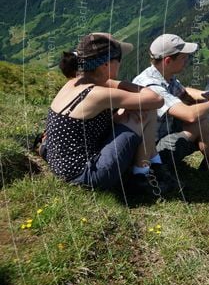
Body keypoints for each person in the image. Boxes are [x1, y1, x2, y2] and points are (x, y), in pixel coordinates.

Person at [44, 32, 176, 198]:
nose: (120, 64)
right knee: (146, 109)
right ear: (106, 65)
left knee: (137, 108)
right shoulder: (97, 93)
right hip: (87, 176)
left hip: (62, 165)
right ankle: (141, 177)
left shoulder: (75, 83)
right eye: (118, 59)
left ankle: (151, 165)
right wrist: (115, 84)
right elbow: (156, 99)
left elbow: (88, 126)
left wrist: (118, 112)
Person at [132, 33, 209, 190]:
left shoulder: (163, 75)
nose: (187, 61)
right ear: (168, 61)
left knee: (203, 118)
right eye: (183, 58)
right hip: (151, 153)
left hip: (160, 138)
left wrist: (204, 96)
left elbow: (183, 92)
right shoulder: (153, 86)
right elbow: (189, 115)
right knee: (202, 123)